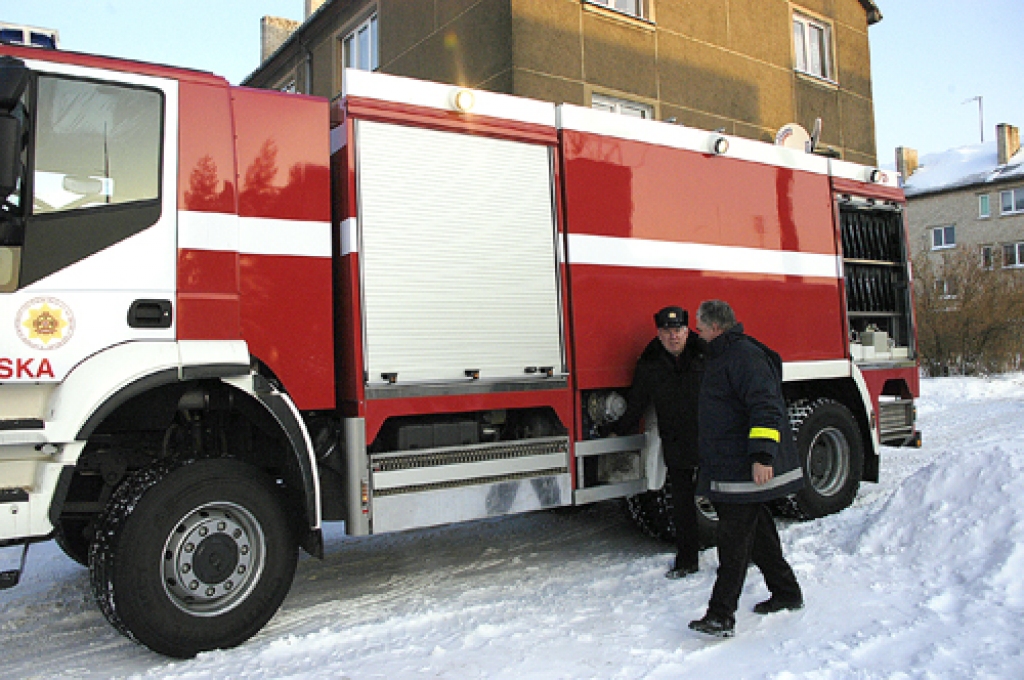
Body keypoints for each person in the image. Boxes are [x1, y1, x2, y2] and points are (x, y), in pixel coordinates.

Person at [688, 299, 804, 638]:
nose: (697, 331)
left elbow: (766, 406)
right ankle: (786, 592)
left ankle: (721, 615)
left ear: (715, 327)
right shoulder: (723, 354)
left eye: (700, 326)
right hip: (730, 464)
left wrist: (763, 456)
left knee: (734, 542)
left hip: (743, 467)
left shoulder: (743, 357)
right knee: (759, 532)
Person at [615, 305, 705, 579]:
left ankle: (743, 556)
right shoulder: (651, 361)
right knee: (682, 506)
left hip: (709, 439)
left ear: (687, 331)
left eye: (678, 330)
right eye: (667, 331)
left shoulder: (705, 354)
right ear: (658, 333)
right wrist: (619, 429)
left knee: (727, 503)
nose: (673, 336)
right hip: (676, 442)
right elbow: (638, 401)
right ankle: (687, 561)